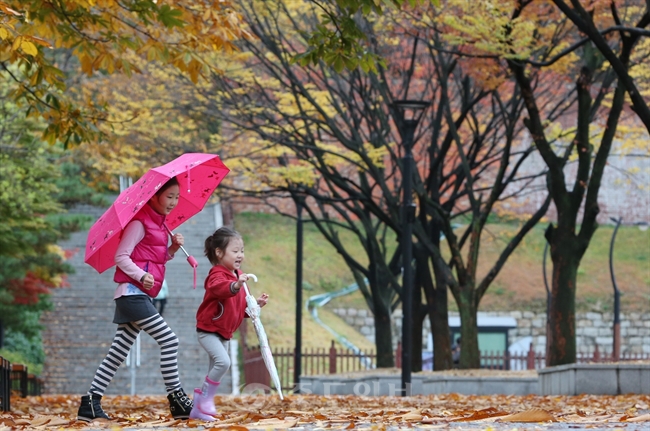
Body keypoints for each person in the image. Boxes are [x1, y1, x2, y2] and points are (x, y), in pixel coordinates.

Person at [77, 177, 195, 422]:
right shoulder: (139, 223)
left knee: (118, 352)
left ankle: (90, 402)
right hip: (132, 294)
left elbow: (156, 259)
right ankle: (177, 399)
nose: (173, 202)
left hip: (138, 294)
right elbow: (121, 257)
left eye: (176, 197)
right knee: (170, 340)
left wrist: (172, 248)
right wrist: (142, 276)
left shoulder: (161, 225)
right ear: (154, 197)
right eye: (169, 196)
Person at [189, 226, 269, 421]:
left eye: (242, 250)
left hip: (224, 331)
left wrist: (255, 306)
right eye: (235, 251)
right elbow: (219, 289)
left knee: (215, 367)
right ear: (219, 252)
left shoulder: (238, 274)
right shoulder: (217, 274)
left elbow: (239, 308)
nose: (240, 254)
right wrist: (236, 285)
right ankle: (205, 399)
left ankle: (198, 408)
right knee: (223, 362)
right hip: (208, 329)